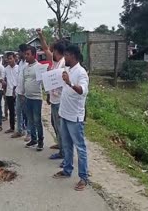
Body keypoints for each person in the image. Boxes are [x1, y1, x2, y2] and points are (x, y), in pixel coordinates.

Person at [53, 45, 89, 192]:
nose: (64, 57)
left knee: (80, 148)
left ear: (73, 56)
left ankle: (83, 177)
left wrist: (69, 83)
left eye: (66, 55)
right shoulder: (67, 70)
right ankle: (67, 169)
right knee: (67, 145)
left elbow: (82, 91)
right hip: (64, 114)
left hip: (75, 117)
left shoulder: (81, 73)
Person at [37, 28, 67, 160]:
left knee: (61, 128)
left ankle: (64, 153)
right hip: (54, 99)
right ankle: (60, 145)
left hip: (61, 101)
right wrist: (41, 35)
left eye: (53, 50)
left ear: (59, 52)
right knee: (55, 125)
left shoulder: (64, 64)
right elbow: (45, 48)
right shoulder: (55, 62)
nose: (51, 52)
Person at [22, 45, 44, 151]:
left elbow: (44, 82)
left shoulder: (40, 67)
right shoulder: (25, 68)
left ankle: (40, 141)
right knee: (30, 121)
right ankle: (33, 139)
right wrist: (22, 94)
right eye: (25, 54)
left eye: (28, 54)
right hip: (27, 98)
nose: (26, 56)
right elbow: (23, 82)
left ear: (33, 55)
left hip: (36, 98)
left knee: (37, 120)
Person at [11, 44, 30, 140]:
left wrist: (24, 92)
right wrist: (15, 88)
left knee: (27, 114)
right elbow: (19, 78)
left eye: (19, 52)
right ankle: (19, 130)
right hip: (19, 91)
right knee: (18, 112)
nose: (18, 54)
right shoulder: (21, 63)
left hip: (25, 93)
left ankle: (29, 133)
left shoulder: (28, 63)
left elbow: (28, 80)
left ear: (23, 52)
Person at [4, 52, 18, 133]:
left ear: (14, 58)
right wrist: (3, 82)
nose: (9, 60)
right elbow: (4, 79)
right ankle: (12, 127)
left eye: (10, 58)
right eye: (8, 59)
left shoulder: (19, 68)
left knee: (19, 112)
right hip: (9, 93)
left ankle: (22, 129)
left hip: (17, 93)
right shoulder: (6, 69)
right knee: (11, 112)